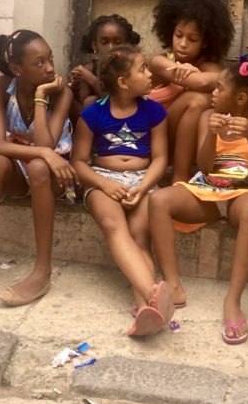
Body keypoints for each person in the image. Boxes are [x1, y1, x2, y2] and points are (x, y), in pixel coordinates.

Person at [149, 55, 248, 345]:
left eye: (220, 89)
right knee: (158, 201)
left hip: (241, 195)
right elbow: (205, 166)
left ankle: (233, 300)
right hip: (207, 192)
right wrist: (211, 134)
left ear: (241, 99)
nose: (214, 93)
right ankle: (173, 284)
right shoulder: (208, 118)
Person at [0, 30, 75, 312]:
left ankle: (42, 271)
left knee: (40, 166)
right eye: (40, 63)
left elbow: (48, 144)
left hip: (56, 175)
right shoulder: (0, 87)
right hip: (24, 167)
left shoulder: (61, 92)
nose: (50, 68)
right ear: (17, 69)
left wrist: (42, 97)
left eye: (50, 59)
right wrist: (43, 152)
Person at [71, 46, 172, 337]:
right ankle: (153, 293)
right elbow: (78, 162)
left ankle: (144, 311)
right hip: (103, 178)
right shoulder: (93, 114)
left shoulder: (155, 111)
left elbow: (161, 158)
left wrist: (142, 187)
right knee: (115, 226)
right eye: (143, 69)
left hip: (144, 178)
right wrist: (104, 184)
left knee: (141, 234)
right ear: (123, 83)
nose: (150, 73)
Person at [148, 0, 234, 183]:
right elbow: (201, 81)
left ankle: (184, 171)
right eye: (178, 35)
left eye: (192, 39)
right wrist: (203, 76)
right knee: (197, 99)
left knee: (204, 101)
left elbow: (226, 81)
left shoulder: (207, 65)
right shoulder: (160, 62)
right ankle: (179, 176)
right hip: (153, 136)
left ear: (204, 42)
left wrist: (209, 76)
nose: (183, 44)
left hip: (184, 140)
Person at [68, 13, 141, 121]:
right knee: (89, 100)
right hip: (93, 123)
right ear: (94, 45)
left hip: (126, 119)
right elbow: (85, 107)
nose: (111, 47)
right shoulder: (88, 69)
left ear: (126, 44)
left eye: (117, 42)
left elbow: (120, 101)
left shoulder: (131, 69)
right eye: (104, 42)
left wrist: (92, 80)